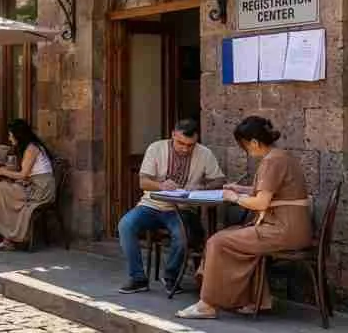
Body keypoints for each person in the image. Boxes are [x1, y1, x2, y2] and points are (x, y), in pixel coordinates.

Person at [177, 116, 312, 319]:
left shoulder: (272, 162)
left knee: (217, 241)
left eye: (245, 146)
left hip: (283, 230)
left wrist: (234, 197)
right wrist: (240, 188)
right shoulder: (281, 156)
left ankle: (207, 304)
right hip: (292, 227)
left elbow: (261, 203)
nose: (247, 151)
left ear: (255, 142)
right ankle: (254, 300)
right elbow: (270, 192)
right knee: (233, 234)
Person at [117, 119, 225, 294]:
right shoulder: (156, 148)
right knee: (126, 225)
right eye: (180, 143)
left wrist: (202, 188)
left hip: (182, 209)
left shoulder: (204, 153)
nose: (185, 148)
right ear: (173, 134)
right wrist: (161, 186)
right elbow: (143, 181)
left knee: (182, 235)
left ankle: (171, 278)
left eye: (190, 145)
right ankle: (138, 278)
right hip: (151, 205)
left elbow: (219, 180)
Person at [0, 119, 56, 251]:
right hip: (34, 185)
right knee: (3, 190)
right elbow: (26, 174)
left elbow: (23, 175)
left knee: (2, 189)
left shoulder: (32, 148)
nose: (9, 138)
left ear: (18, 135)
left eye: (10, 135)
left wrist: (1, 171)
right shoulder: (30, 147)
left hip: (41, 190)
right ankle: (1, 234)